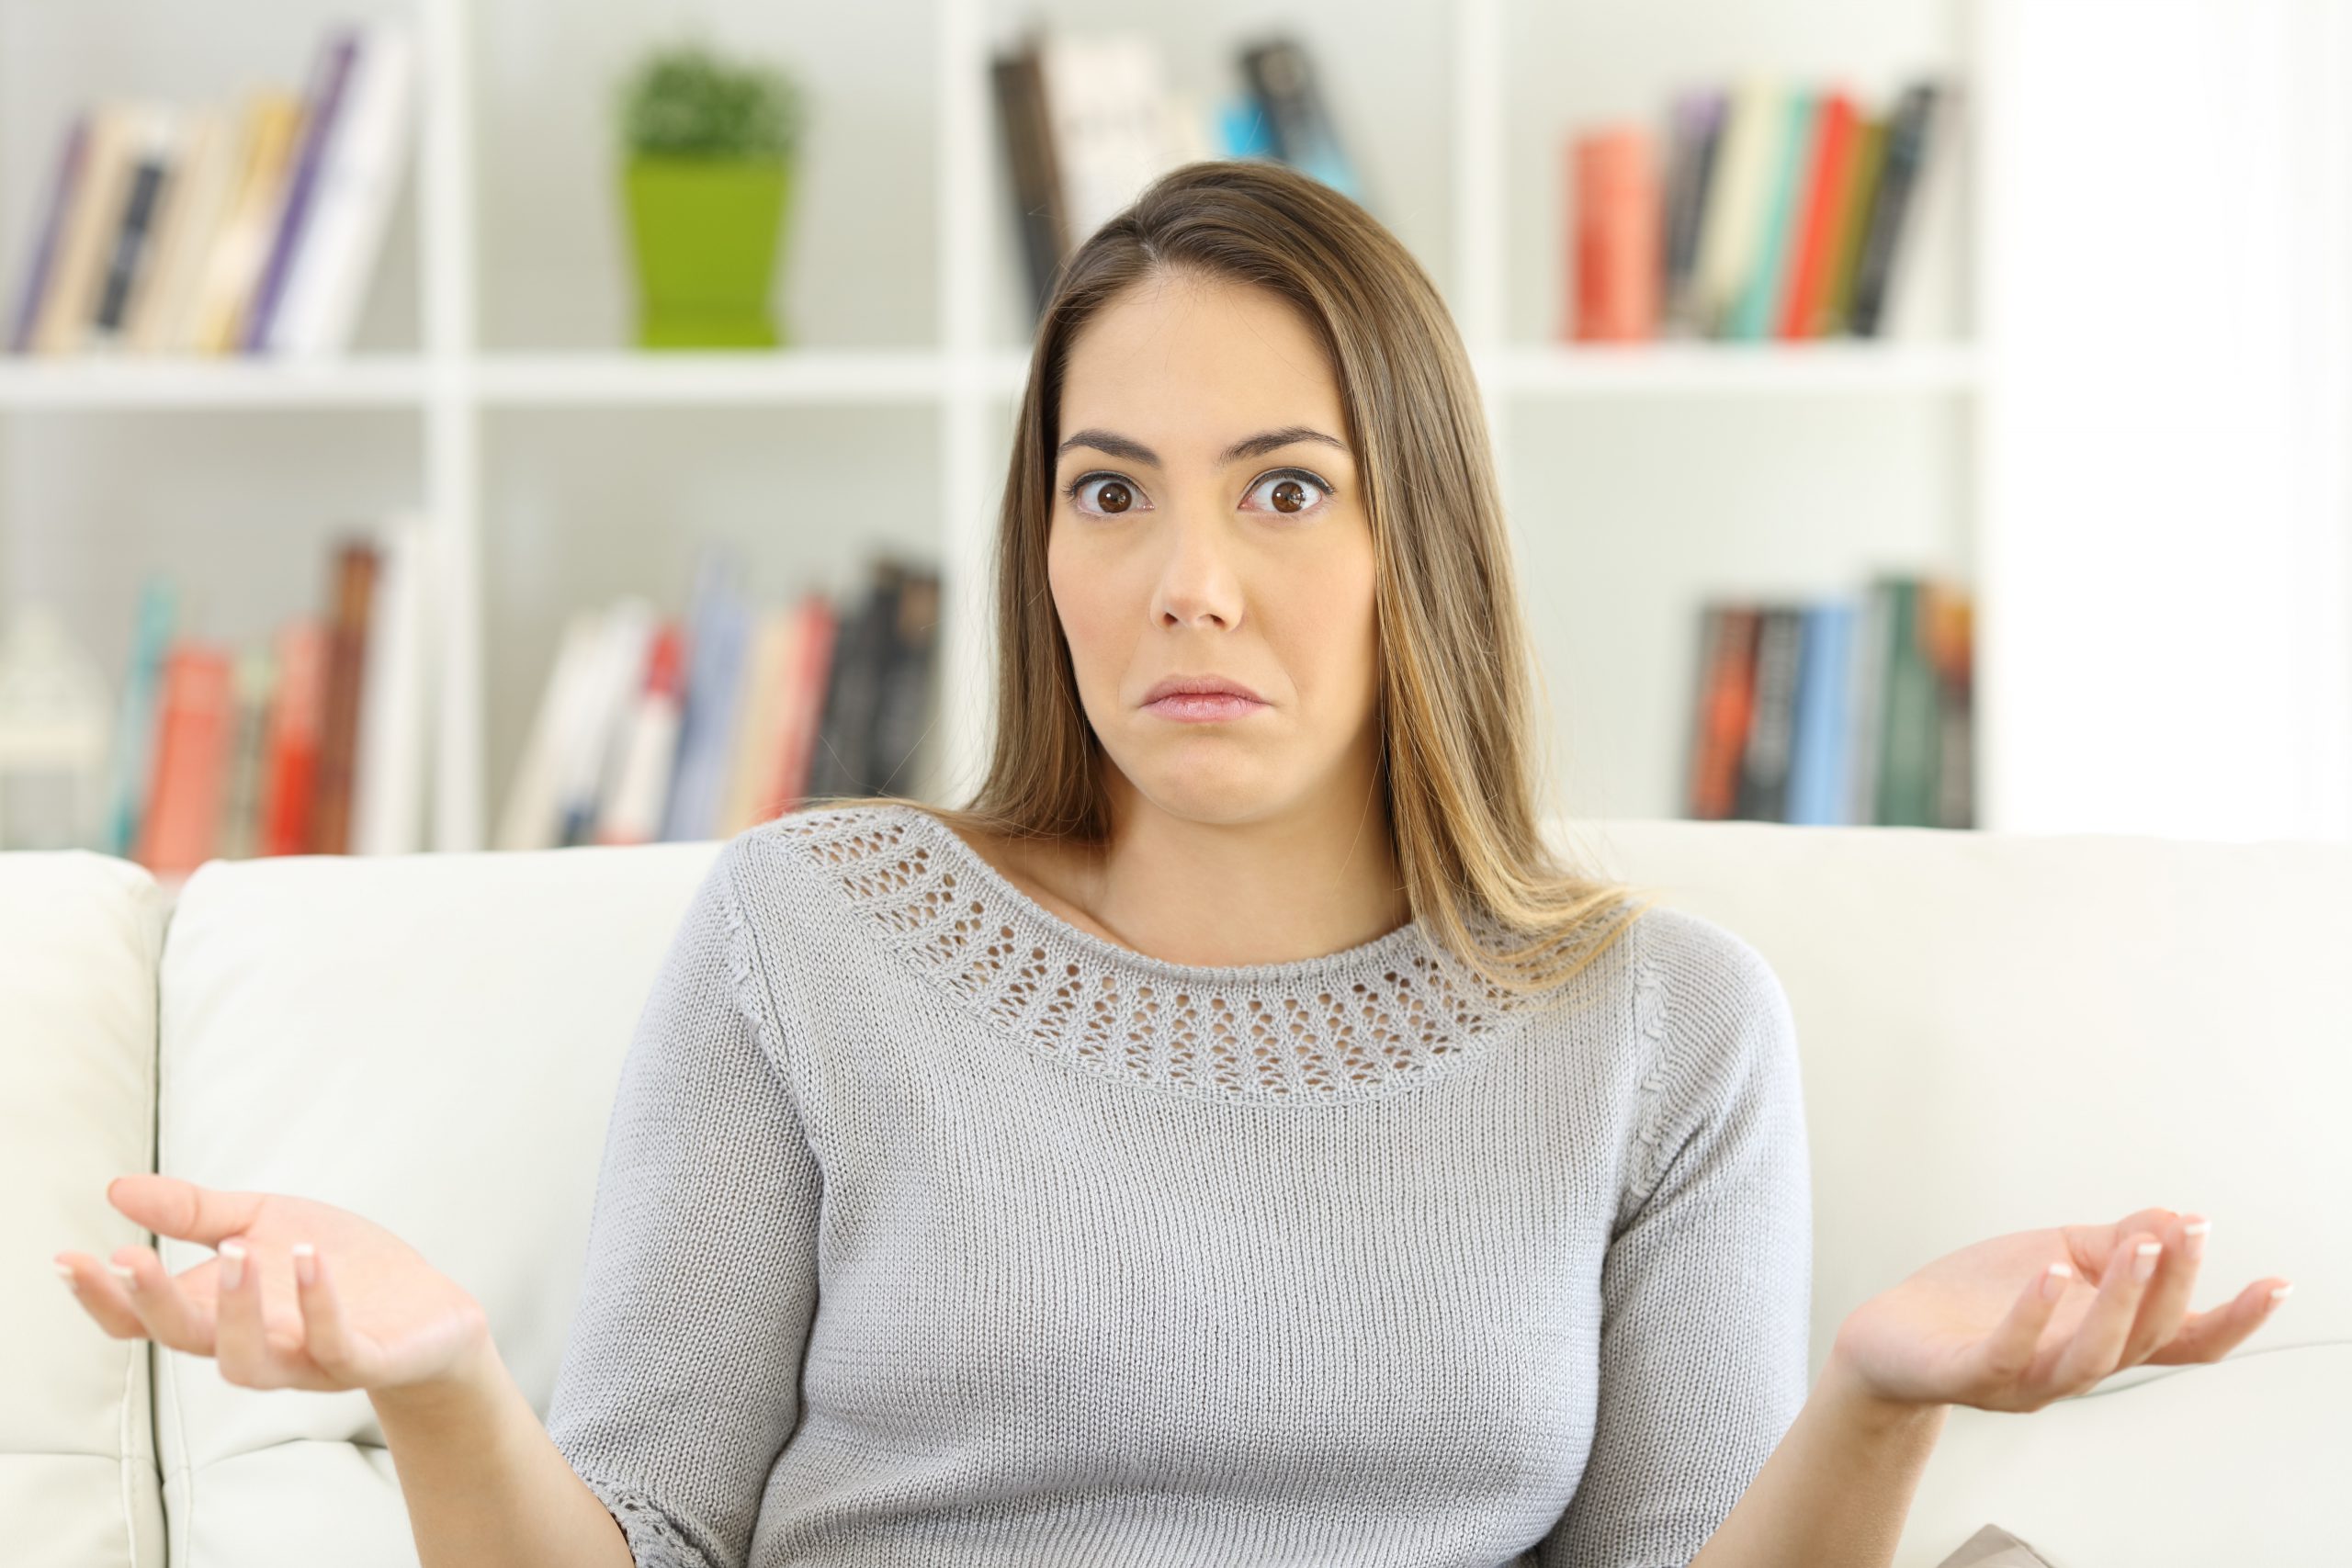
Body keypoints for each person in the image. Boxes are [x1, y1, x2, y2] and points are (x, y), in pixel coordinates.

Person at [53, 159, 2292, 1568]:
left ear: (1420, 532)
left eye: (1283, 489)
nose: (1182, 580)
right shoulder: (809, 930)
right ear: (1040, 543)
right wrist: (441, 1371)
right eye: (1108, 490)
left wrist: (1870, 1404)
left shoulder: (1662, 1026)